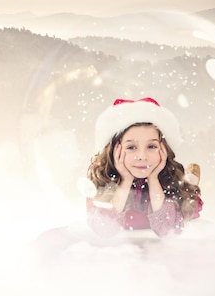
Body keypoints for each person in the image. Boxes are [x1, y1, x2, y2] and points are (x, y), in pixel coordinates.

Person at [86, 97, 202, 237]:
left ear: (163, 149)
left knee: (187, 194)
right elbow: (104, 230)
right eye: (131, 147)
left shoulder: (168, 181)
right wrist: (125, 181)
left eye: (151, 146)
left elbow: (169, 230)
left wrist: (153, 179)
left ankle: (190, 180)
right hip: (123, 254)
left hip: (160, 254)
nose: (142, 156)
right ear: (114, 150)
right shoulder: (103, 183)